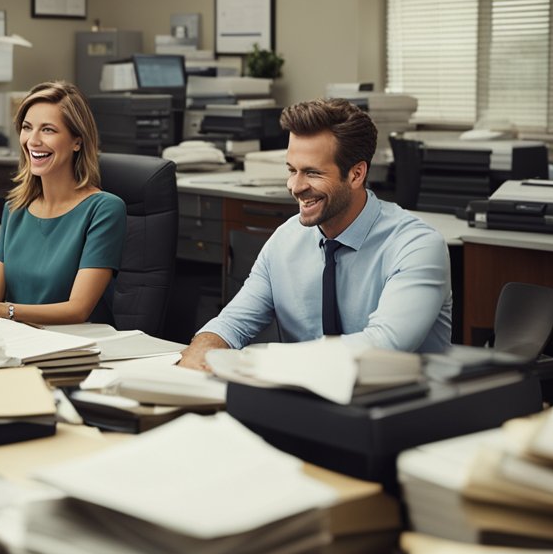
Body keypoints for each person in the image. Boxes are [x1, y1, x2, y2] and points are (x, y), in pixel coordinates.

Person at [178, 98, 452, 371]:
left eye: (312, 172)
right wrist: (205, 346)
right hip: (304, 404)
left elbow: (384, 345)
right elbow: (232, 323)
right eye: (291, 170)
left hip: (400, 407)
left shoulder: (417, 247)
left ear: (356, 174)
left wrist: (266, 360)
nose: (295, 187)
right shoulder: (285, 241)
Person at [0, 80, 126, 325]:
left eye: (48, 130)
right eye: (27, 127)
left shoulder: (104, 209)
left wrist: (1, 310)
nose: (32, 140)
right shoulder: (15, 208)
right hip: (19, 343)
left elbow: (78, 310)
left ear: (77, 141)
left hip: (76, 347)